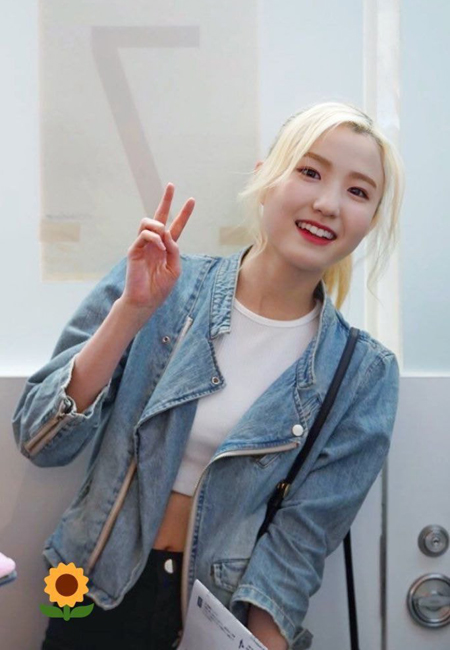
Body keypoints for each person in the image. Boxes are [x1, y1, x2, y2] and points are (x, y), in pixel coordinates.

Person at [13, 100, 404, 650]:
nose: (328, 203)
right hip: (88, 590)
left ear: (371, 221)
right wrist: (131, 313)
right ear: (265, 179)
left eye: (358, 192)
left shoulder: (363, 375)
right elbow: (39, 439)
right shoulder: (161, 284)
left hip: (219, 621)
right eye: (310, 172)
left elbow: (298, 548)